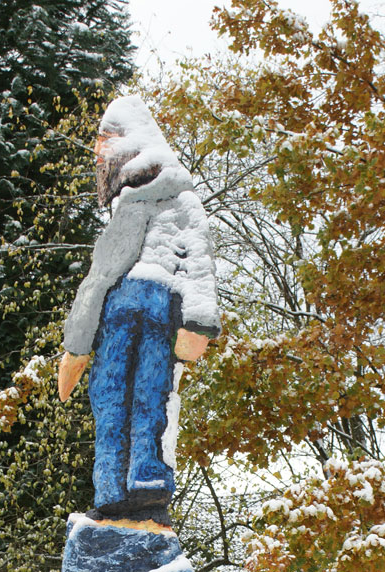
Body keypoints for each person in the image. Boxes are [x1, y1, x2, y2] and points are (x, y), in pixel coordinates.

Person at [57, 95, 220, 521]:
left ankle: (135, 486)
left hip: (146, 309)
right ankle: (122, 488)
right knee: (125, 395)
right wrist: (77, 345)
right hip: (134, 312)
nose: (99, 152)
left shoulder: (166, 201)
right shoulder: (146, 203)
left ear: (129, 143)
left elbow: (195, 259)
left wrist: (198, 322)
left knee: (139, 394)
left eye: (105, 140)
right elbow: (102, 278)